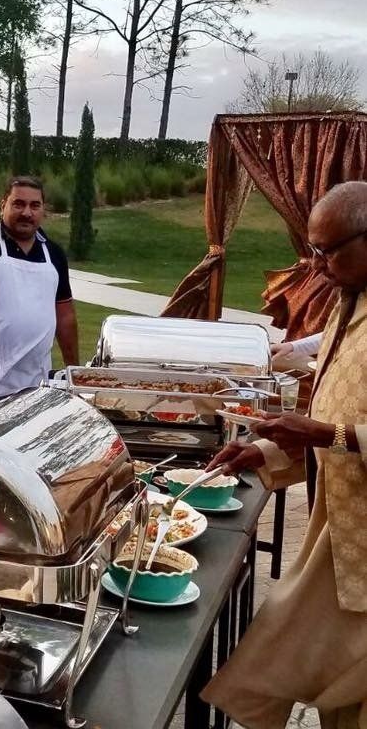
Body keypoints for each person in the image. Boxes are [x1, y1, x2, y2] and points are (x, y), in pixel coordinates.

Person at [202, 181, 367, 729]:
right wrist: (267, 453)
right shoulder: (351, 302)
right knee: (299, 680)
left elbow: (335, 429)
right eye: (312, 249)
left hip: (359, 550)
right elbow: (338, 410)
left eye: (328, 251)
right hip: (339, 537)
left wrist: (323, 434)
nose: (316, 266)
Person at [0, 175, 79, 413]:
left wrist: (74, 371)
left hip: (34, 387)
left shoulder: (54, 255)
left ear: (43, 210)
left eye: (34, 205)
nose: (27, 213)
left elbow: (65, 316)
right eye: (18, 204)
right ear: (3, 206)